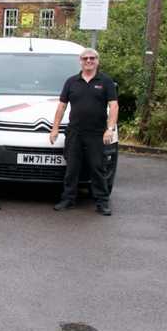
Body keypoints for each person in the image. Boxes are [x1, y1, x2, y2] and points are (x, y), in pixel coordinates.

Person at [49, 48, 119, 216]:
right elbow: (62, 106)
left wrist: (109, 129)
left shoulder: (106, 81)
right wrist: (55, 128)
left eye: (92, 58)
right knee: (72, 168)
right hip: (75, 132)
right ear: (80, 61)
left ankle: (102, 202)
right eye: (85, 58)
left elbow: (114, 106)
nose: (89, 61)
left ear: (97, 61)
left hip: (96, 133)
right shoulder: (71, 82)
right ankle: (68, 199)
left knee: (97, 167)